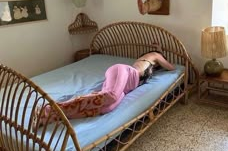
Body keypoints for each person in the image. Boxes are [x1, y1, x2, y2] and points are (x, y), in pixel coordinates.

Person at [33, 45, 175, 128]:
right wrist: (159, 51)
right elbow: (171, 67)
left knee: (107, 107)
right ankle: (48, 109)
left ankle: (52, 115)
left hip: (125, 88)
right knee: (111, 96)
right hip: (123, 71)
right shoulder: (154, 55)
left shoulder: (150, 63)